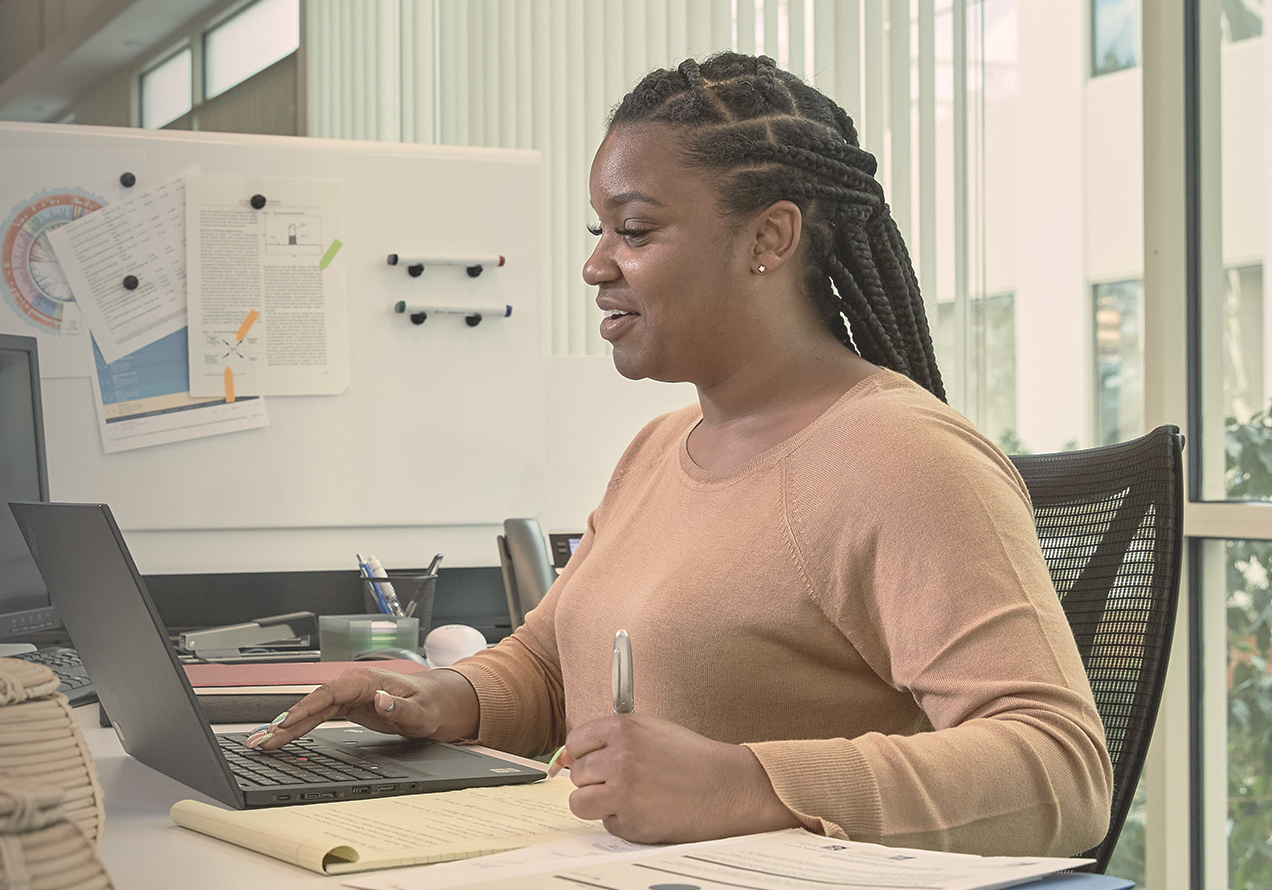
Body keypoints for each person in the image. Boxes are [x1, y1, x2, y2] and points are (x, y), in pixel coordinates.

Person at [249, 52, 1111, 857]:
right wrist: (439, 699)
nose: (595, 265)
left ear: (769, 239)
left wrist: (748, 784)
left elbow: (1064, 771)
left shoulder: (905, 458)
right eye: (599, 230)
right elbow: (553, 668)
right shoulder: (659, 450)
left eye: (633, 229)